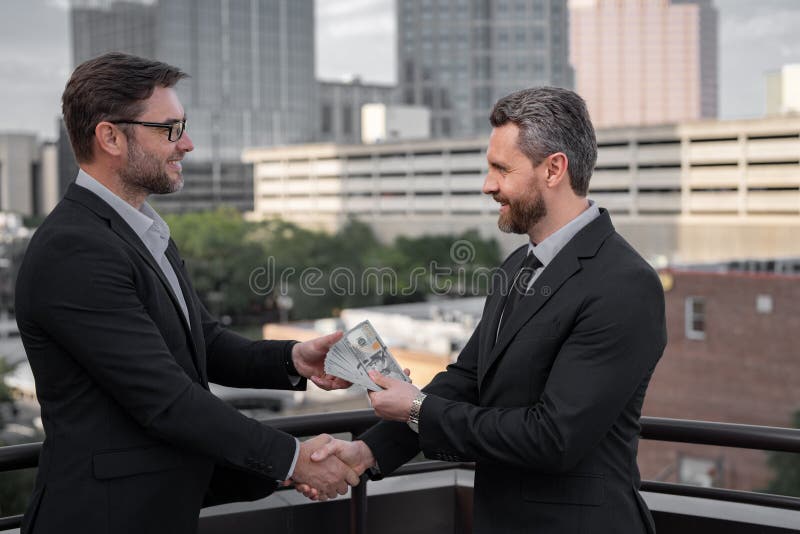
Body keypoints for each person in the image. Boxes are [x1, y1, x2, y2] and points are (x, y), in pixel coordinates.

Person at [15, 52, 358, 534]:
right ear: (110, 136)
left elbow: (205, 342)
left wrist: (295, 359)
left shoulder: (141, 231)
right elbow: (165, 399)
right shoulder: (75, 249)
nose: (188, 144)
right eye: (169, 129)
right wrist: (292, 459)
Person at [303, 87, 667, 533]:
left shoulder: (625, 284)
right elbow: (468, 380)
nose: (488, 184)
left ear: (554, 169)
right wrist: (369, 451)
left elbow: (553, 438)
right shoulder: (517, 264)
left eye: (501, 168)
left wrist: (416, 407)